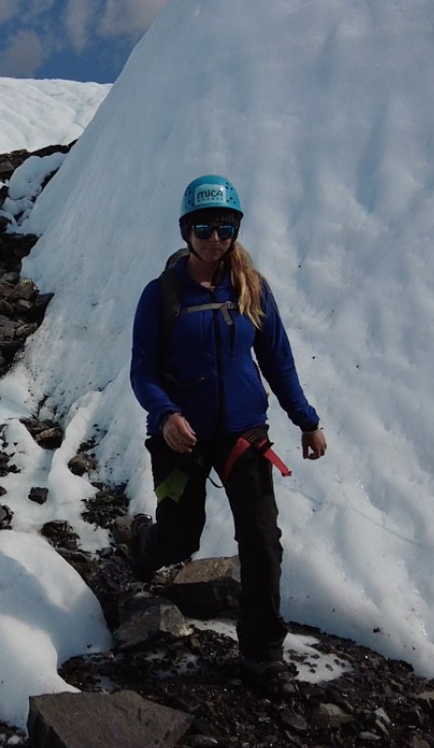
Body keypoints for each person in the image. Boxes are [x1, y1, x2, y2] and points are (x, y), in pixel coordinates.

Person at [128, 174, 327, 697]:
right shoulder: (161, 296)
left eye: (225, 226)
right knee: (180, 538)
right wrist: (167, 415)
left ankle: (262, 655)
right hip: (181, 440)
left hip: (244, 435)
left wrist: (306, 420)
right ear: (185, 230)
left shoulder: (252, 289)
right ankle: (142, 547)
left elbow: (277, 362)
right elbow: (142, 371)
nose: (215, 237)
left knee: (262, 541)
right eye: (204, 227)